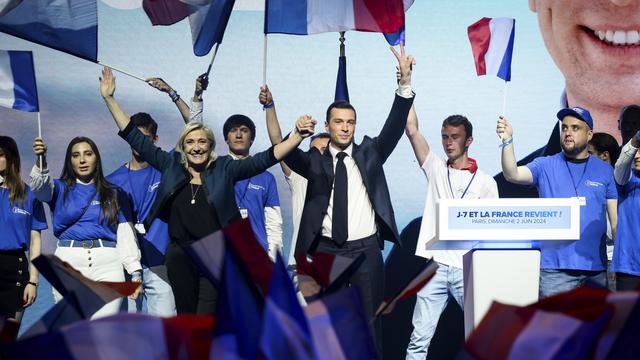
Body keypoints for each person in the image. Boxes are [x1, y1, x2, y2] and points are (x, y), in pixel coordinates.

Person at [99, 67, 314, 314]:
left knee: (210, 318)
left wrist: (297, 136)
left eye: (202, 141)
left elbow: (265, 159)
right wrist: (109, 98)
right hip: (180, 257)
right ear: (182, 146)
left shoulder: (224, 168)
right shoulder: (171, 166)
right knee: (187, 318)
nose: (196, 147)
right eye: (190, 142)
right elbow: (133, 137)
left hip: (216, 255)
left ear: (211, 145)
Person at [282, 44, 415, 352]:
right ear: (328, 125)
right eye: (339, 122)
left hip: (366, 250)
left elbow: (394, 127)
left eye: (350, 122)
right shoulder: (314, 160)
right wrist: (297, 133)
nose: (345, 127)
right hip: (327, 250)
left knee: (369, 325)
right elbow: (285, 153)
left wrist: (404, 86)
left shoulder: (370, 152)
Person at [405, 105, 498, 359]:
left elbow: (493, 230)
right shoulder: (435, 167)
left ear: (469, 140)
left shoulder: (486, 182)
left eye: (454, 137)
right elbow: (412, 130)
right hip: (434, 266)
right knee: (418, 338)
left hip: (467, 267)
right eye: (445, 136)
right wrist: (405, 86)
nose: (448, 142)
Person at [498, 106, 618, 297]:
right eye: (564, 128)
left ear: (589, 134)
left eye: (575, 128)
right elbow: (512, 174)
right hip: (555, 271)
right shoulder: (545, 165)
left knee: (594, 328)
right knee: (555, 327)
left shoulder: (605, 171)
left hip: (595, 270)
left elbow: (615, 222)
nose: (568, 133)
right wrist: (507, 141)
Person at [30, 136, 142, 317]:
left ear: (96, 158)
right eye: (76, 155)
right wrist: (40, 160)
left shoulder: (113, 192)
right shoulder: (58, 188)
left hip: (108, 265)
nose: (82, 160)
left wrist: (135, 272)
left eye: (88, 154)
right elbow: (40, 188)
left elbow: (125, 233)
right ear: (70, 161)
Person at [189, 96, 284, 261]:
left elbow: (273, 223)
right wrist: (197, 99)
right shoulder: (213, 169)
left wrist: (275, 261)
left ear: (252, 139)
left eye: (244, 130)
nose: (239, 135)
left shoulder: (266, 177)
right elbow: (193, 132)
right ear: (226, 139)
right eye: (233, 131)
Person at [107, 113, 176, 317]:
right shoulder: (111, 181)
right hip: (125, 267)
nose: (138, 143)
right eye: (135, 136)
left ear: (155, 140)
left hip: (160, 263)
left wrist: (187, 97)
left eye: (145, 138)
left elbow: (193, 127)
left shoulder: (167, 168)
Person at [258, 84, 331, 273]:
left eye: (325, 150)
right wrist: (270, 106)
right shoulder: (300, 176)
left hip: (337, 265)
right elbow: (278, 144)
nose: (320, 154)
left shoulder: (348, 178)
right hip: (302, 266)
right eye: (314, 150)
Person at [0, 136, 46, 326]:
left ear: (11, 158)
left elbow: (35, 241)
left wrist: (33, 280)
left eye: (0, 155)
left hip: (15, 270)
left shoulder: (29, 196)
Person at [587, 132, 620, 291]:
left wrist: (618, 261)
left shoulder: (621, 184)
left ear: (604, 156)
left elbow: (613, 227)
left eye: (589, 153)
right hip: (594, 260)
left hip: (614, 261)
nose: (584, 158)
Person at [612, 129, 640, 291]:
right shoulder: (626, 180)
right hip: (629, 269)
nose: (636, 156)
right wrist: (635, 141)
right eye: (636, 151)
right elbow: (622, 162)